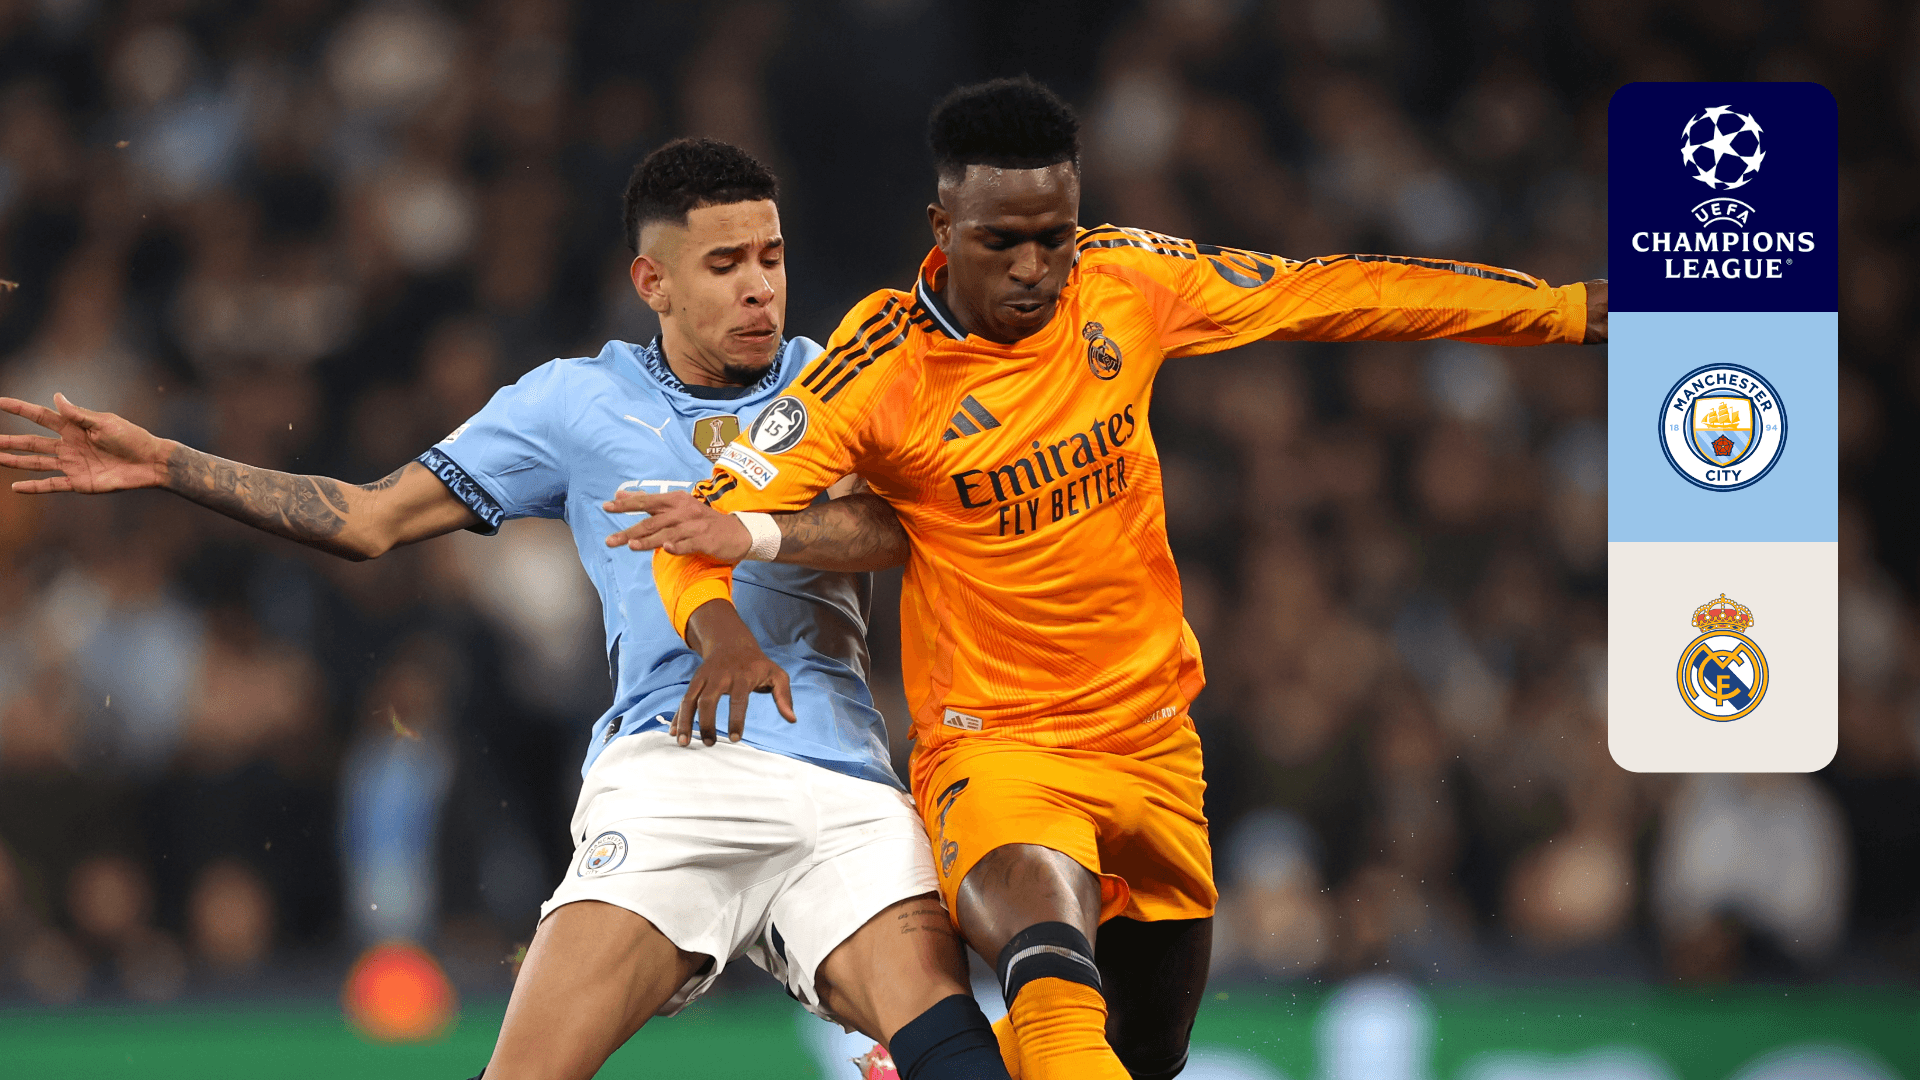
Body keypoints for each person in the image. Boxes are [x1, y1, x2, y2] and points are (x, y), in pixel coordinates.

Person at [638, 78, 1607, 1080]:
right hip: (1000, 748)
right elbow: (695, 529)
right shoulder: (880, 364)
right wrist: (723, 633)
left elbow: (1325, 292)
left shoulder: (1124, 279)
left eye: (1052, 238)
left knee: (1144, 1049)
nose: (1033, 269)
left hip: (1153, 742)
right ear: (943, 227)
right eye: (1000, 242)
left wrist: (1556, 310)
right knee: (1053, 982)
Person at [0, 139, 1010, 1080]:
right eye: (725, 264)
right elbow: (368, 518)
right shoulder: (574, 402)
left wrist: (748, 531)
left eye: (772, 257)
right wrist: (170, 463)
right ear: (651, 282)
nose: (761, 287)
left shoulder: (840, 382)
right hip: (675, 776)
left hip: (839, 783)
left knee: (962, 1056)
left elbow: (917, 524)